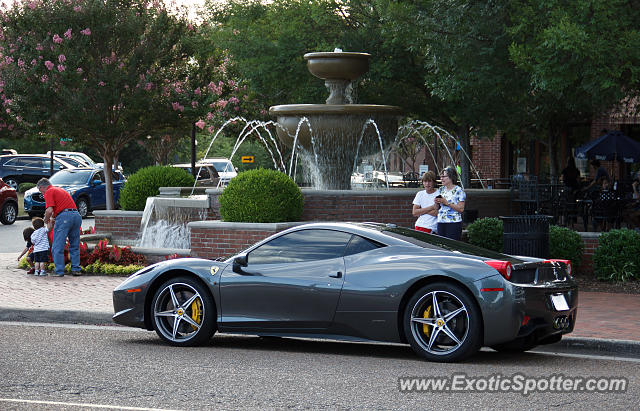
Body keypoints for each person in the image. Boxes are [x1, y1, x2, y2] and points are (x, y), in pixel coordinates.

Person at [37, 177, 82, 277]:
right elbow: (60, 207)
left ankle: (59, 271)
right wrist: (54, 218)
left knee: (57, 246)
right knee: (74, 245)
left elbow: (49, 210)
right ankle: (76, 269)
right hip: (76, 216)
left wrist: (45, 220)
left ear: (42, 187)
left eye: (41, 191)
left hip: (65, 218)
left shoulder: (49, 191)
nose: (42, 194)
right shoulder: (60, 189)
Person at [434, 166, 466, 240]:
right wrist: (436, 202)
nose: (441, 178)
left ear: (451, 177)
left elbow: (461, 209)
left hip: (453, 223)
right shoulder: (441, 189)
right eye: (440, 176)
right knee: (441, 245)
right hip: (441, 221)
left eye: (444, 176)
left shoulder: (459, 190)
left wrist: (447, 203)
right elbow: (436, 208)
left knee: (452, 246)